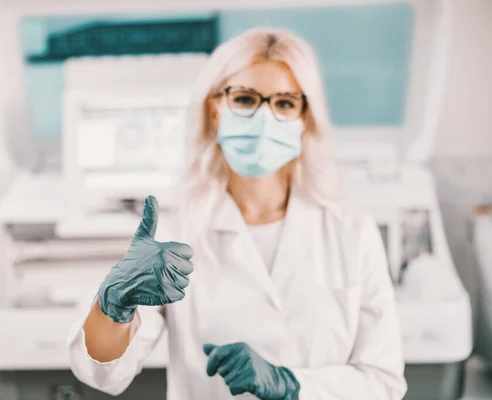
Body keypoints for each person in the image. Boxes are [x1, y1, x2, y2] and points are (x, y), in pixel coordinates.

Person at [67, 27, 407, 400]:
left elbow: (383, 383)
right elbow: (103, 375)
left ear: (305, 117)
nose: (264, 118)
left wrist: (292, 385)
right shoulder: (177, 232)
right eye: (245, 100)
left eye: (284, 104)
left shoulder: (350, 232)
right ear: (214, 109)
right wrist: (114, 304)